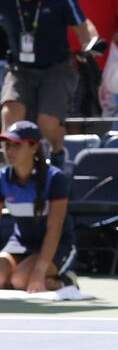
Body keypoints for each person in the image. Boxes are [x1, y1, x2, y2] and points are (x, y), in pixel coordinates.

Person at [0, 0, 100, 170]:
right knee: (10, 114)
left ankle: (56, 152)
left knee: (47, 123)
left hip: (56, 68)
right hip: (20, 69)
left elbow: (83, 28)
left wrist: (89, 46)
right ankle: (10, 173)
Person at [0, 121, 75, 293]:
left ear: (34, 147)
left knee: (20, 281)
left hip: (58, 245)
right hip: (20, 243)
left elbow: (54, 230)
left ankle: (64, 282)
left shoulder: (56, 179)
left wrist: (39, 271)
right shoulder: (2, 179)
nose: (9, 151)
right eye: (7, 145)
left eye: (17, 146)